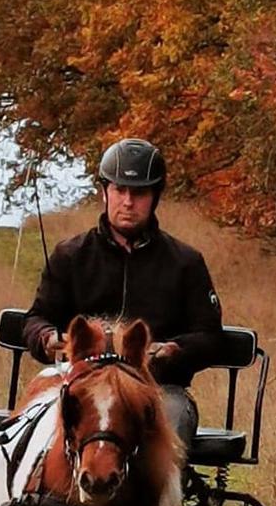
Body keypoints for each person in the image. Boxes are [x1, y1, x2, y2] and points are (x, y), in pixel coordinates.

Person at [22, 137, 223, 450]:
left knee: (173, 417)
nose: (128, 201)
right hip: (79, 380)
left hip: (157, 387)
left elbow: (210, 336)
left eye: (139, 192)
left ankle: (162, 499)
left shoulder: (185, 262)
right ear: (105, 192)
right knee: (33, 419)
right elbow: (36, 318)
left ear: (155, 196)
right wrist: (47, 337)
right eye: (119, 190)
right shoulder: (71, 255)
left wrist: (174, 350)